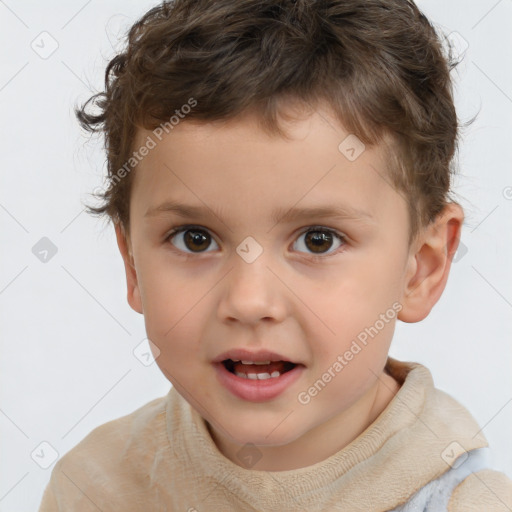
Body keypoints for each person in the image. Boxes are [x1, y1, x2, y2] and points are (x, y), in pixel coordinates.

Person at [38, 0, 512, 510]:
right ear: (132, 264)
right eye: (195, 238)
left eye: (318, 240)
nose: (249, 300)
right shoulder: (93, 489)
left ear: (422, 267)